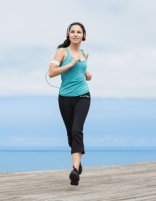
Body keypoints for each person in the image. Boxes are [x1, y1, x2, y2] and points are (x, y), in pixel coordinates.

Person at [48, 22, 92, 186]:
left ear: (83, 35)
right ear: (68, 35)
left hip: (83, 95)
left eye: (78, 32)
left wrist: (87, 74)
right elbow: (51, 73)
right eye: (72, 31)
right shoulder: (62, 52)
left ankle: (74, 171)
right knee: (70, 134)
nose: (75, 34)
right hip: (65, 98)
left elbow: (81, 71)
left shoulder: (84, 53)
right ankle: (78, 163)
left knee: (76, 130)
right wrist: (70, 64)